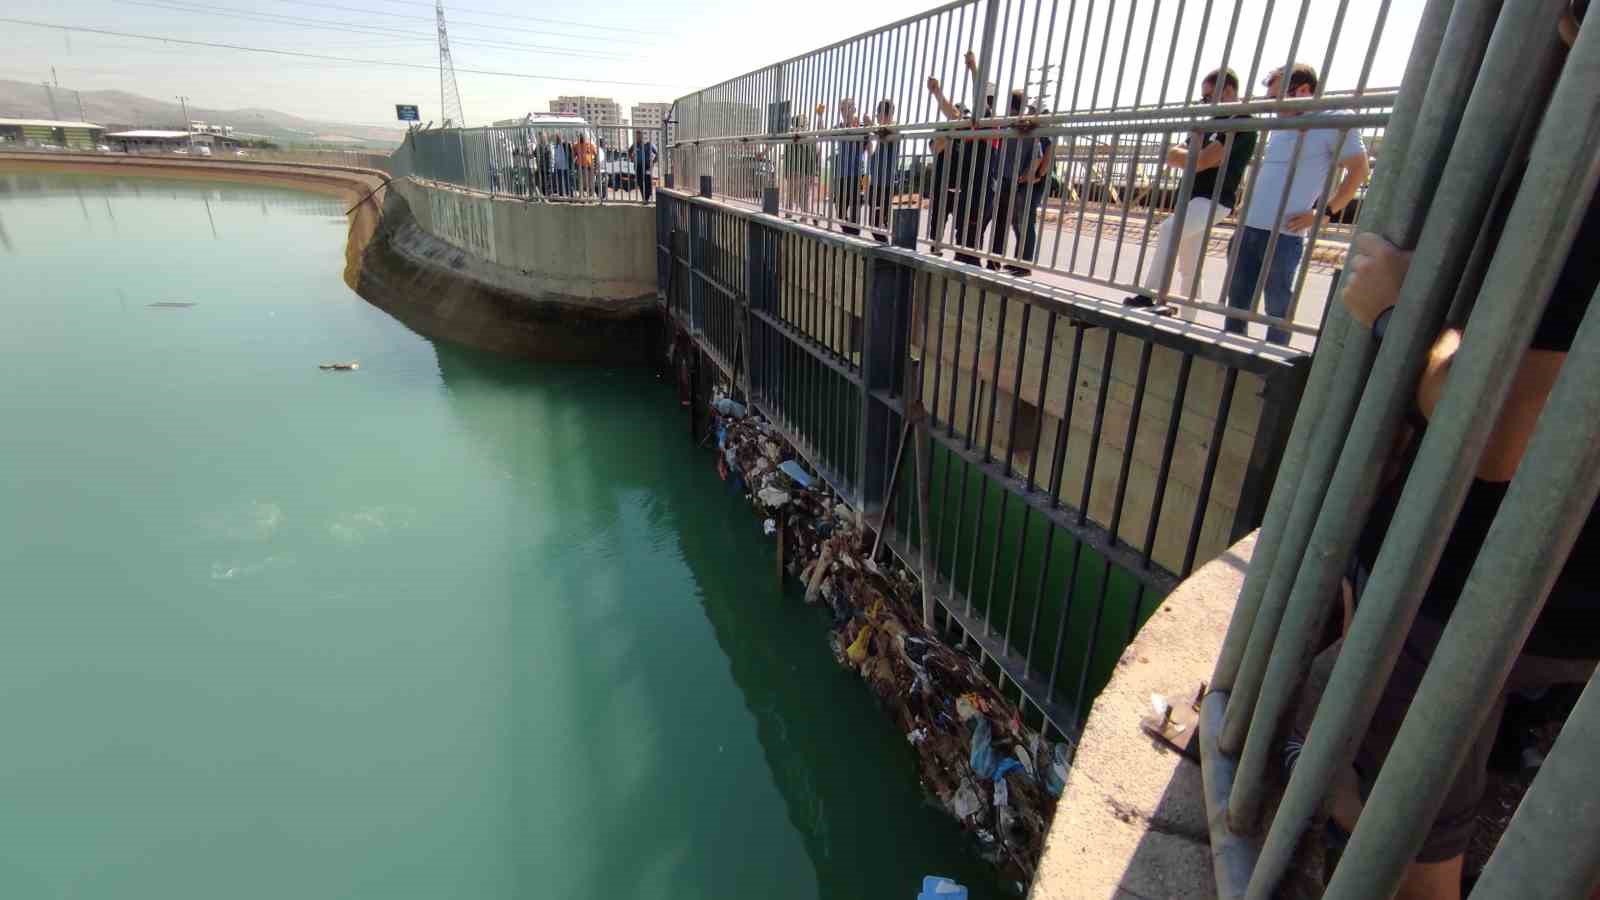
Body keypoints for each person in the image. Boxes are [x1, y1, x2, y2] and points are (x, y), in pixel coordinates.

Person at [1291, 7, 1594, 899]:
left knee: (1415, 840)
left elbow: (1502, 439)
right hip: (1558, 604)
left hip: (1490, 591)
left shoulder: (1578, 162)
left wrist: (1398, 312)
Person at [1225, 63, 1369, 344]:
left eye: (1278, 97)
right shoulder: (1283, 124)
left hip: (1284, 233)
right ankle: (1229, 361)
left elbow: (1359, 170)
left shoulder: (1335, 119)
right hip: (1248, 228)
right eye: (1270, 100)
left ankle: (1271, 367)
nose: (1274, 106)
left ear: (1304, 90)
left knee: (1278, 306)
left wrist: (1324, 212)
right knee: (1236, 300)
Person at [1123, 68, 1258, 309]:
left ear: (1228, 91)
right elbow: (1173, 155)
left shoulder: (1242, 121)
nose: (1204, 103)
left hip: (1214, 199)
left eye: (1208, 97)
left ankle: (1148, 293)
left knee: (1168, 230)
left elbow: (1202, 161)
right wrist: (1196, 158)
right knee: (1190, 263)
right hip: (1193, 199)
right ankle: (1188, 318)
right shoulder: (1211, 122)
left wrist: (1195, 159)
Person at [927, 51, 998, 266]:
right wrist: (937, 92)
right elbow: (951, 113)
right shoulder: (969, 126)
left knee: (970, 246)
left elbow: (980, 98)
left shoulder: (990, 125)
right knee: (962, 245)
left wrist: (973, 68)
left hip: (981, 194)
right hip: (968, 194)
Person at [990, 90, 1041, 273]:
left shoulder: (1007, 126)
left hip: (1006, 181)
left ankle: (1000, 261)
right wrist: (1029, 173)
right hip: (1017, 182)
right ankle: (1020, 262)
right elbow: (1038, 155)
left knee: (1008, 223)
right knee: (1019, 223)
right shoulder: (1027, 128)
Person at [831, 98, 865, 235]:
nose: (844, 111)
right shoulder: (838, 127)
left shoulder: (861, 126)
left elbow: (867, 147)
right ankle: (849, 233)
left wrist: (862, 130)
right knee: (839, 211)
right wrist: (820, 117)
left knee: (855, 208)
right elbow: (822, 134)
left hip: (857, 173)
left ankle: (854, 236)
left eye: (848, 108)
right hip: (841, 174)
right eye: (842, 108)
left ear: (854, 110)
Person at [866, 99, 899, 242]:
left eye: (878, 114)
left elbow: (884, 135)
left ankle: (886, 247)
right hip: (875, 182)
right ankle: (884, 246)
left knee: (877, 222)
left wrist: (870, 125)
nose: (877, 117)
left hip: (885, 183)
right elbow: (878, 151)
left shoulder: (894, 128)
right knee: (876, 222)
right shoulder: (881, 132)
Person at [782, 110, 820, 219]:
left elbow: (817, 153)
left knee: (796, 196)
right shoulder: (793, 135)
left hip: (800, 171)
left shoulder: (791, 135)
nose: (806, 125)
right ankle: (805, 217)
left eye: (806, 123)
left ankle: (799, 217)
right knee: (798, 197)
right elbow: (817, 153)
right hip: (799, 171)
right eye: (805, 123)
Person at [629, 130, 657, 202]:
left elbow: (657, 153)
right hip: (638, 167)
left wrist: (653, 162)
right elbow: (629, 152)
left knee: (647, 182)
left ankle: (648, 197)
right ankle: (644, 198)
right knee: (640, 182)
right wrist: (632, 159)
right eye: (636, 136)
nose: (637, 137)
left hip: (647, 166)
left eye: (639, 136)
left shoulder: (648, 144)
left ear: (642, 136)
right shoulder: (634, 145)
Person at [575, 133, 599, 198]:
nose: (582, 138)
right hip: (581, 167)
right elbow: (574, 154)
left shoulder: (591, 145)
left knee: (591, 182)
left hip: (589, 167)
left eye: (583, 137)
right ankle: (581, 195)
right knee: (581, 182)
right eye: (580, 137)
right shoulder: (577, 145)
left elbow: (596, 155)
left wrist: (596, 167)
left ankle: (591, 195)